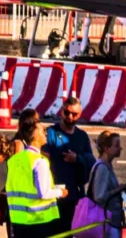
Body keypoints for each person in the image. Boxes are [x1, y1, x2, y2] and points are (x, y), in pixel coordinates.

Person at [4, 120, 66, 238]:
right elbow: (43, 193)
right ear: (36, 136)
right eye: (43, 130)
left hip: (18, 220)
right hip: (38, 220)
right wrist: (60, 192)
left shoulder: (14, 160)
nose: (46, 133)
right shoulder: (39, 161)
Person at [43, 97, 93, 230]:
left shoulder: (82, 136)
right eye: (67, 112)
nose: (70, 117)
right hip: (53, 196)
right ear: (61, 111)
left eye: (74, 114)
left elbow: (91, 160)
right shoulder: (50, 133)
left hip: (75, 195)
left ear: (80, 115)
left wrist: (77, 158)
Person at [87, 132, 124, 238]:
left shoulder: (106, 165)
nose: (120, 148)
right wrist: (117, 190)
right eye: (116, 145)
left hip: (110, 220)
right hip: (107, 222)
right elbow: (99, 196)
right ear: (106, 149)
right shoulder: (102, 168)